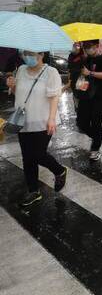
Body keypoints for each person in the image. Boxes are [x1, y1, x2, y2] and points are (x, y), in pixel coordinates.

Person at [6, 50, 67, 207]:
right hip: (23, 121)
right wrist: (12, 86)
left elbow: (54, 97)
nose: (27, 57)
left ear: (41, 55)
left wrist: (52, 119)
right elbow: (18, 94)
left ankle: (59, 170)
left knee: (38, 154)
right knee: (27, 158)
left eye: (30, 53)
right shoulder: (20, 70)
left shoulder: (51, 72)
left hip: (43, 120)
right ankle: (34, 191)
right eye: (24, 53)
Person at [77, 39, 102, 161]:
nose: (87, 49)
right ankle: (97, 137)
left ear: (97, 46)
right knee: (81, 122)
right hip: (85, 95)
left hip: (99, 96)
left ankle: (95, 148)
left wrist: (90, 73)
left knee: (96, 121)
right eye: (85, 46)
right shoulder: (85, 60)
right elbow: (82, 75)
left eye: (90, 46)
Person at [64, 43, 84, 113]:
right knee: (76, 99)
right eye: (72, 46)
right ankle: (78, 113)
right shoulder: (70, 56)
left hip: (82, 81)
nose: (73, 48)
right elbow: (69, 69)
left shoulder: (83, 55)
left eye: (75, 46)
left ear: (78, 47)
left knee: (82, 101)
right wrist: (69, 82)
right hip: (73, 82)